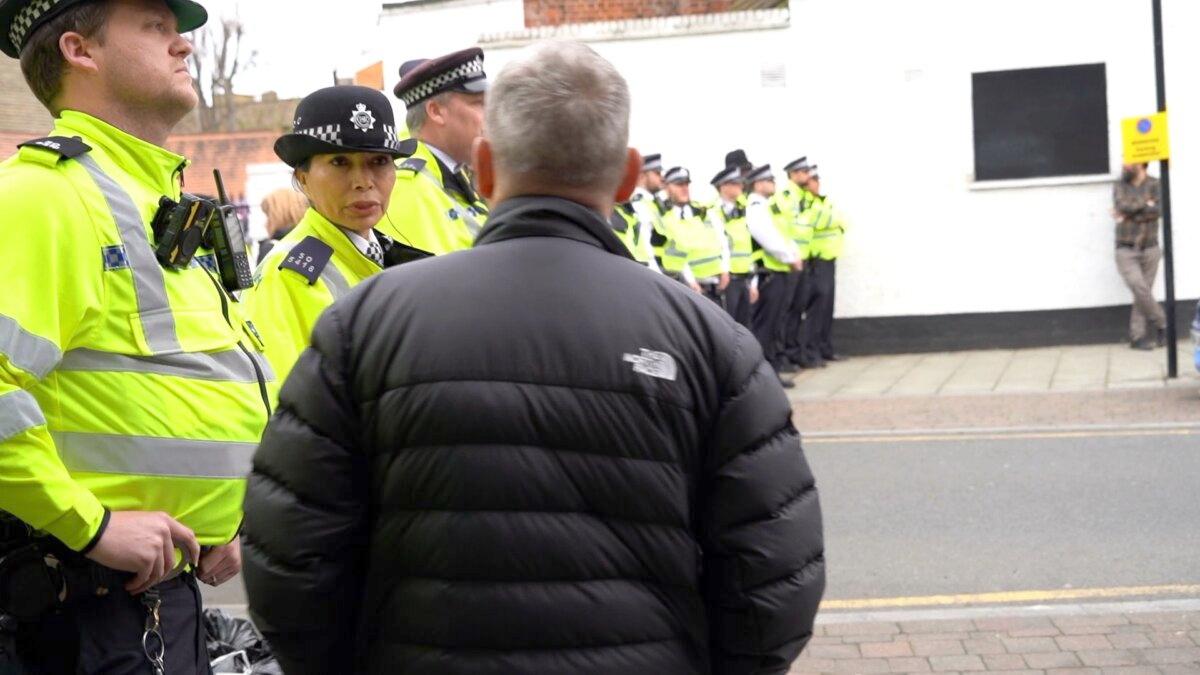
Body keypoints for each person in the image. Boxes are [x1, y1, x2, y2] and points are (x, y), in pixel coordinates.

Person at [242, 40, 824, 675]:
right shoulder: (714, 341)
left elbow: (290, 556)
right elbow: (775, 576)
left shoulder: (363, 325)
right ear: (629, 177)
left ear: (485, 169)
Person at [0, 0, 271, 672]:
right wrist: (90, 523)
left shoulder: (150, 200)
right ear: (80, 50)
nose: (182, 45)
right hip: (86, 607)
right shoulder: (46, 197)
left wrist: (227, 518)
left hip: (160, 596)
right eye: (155, 27)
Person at [240, 86, 414, 393]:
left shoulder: (388, 254)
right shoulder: (287, 274)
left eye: (379, 162)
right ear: (303, 178)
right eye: (340, 163)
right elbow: (285, 404)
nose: (363, 182)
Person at [381, 47, 490, 255]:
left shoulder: (451, 173)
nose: (490, 114)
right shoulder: (406, 188)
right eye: (479, 104)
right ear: (436, 111)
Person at [745, 164, 804, 387]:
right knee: (765, 327)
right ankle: (762, 376)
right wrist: (790, 257)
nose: (773, 184)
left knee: (774, 325)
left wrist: (791, 253)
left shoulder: (765, 206)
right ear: (759, 184)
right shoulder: (756, 206)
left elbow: (780, 233)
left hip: (776, 272)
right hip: (768, 274)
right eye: (769, 180)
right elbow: (766, 237)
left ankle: (771, 373)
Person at [1113, 162, 1166, 350]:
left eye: (1128, 161)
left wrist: (1128, 214)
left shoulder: (1156, 184)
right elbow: (1121, 205)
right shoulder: (1120, 185)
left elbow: (1158, 211)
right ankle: (1162, 323)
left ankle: (1137, 337)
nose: (1124, 164)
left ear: (1141, 164)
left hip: (1150, 248)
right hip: (1126, 248)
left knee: (1141, 294)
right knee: (1140, 287)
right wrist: (1146, 204)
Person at [661, 166, 728, 299]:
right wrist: (691, 281)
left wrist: (725, 270)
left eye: (686, 184)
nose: (685, 188)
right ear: (667, 188)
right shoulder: (665, 218)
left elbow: (722, 240)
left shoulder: (703, 211)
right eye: (679, 184)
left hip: (717, 285)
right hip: (691, 287)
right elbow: (676, 255)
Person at [801, 171, 847, 364]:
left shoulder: (823, 201)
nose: (817, 183)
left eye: (818, 179)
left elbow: (842, 220)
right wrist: (832, 219)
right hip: (816, 262)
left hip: (829, 261)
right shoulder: (807, 203)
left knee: (827, 308)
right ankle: (811, 352)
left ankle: (825, 348)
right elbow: (821, 221)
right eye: (813, 180)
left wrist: (832, 219)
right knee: (817, 310)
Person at [777, 156, 818, 369]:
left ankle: (794, 351)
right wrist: (790, 255)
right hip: (792, 262)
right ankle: (783, 354)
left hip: (804, 259)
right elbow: (782, 227)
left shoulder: (805, 196)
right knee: (787, 309)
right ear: (792, 174)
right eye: (802, 172)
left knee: (798, 307)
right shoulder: (785, 196)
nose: (807, 175)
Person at [708, 164, 756, 327]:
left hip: (744, 278)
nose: (741, 187)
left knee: (745, 326)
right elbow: (718, 245)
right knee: (728, 325)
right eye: (736, 183)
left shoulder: (743, 210)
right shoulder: (712, 212)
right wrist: (724, 270)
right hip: (728, 279)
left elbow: (748, 247)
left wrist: (753, 282)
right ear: (723, 186)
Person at [627, 152, 666, 270]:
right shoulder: (639, 203)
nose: (662, 178)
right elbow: (645, 244)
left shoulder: (651, 202)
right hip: (650, 268)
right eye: (657, 173)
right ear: (642, 175)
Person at [256, 186, 308, 263]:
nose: (265, 224)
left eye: (268, 215)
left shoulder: (272, 249)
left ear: (278, 215)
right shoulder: (313, 240)